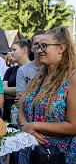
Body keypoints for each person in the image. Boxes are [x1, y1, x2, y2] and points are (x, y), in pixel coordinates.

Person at [18, 27, 76, 164]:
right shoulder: (38, 77)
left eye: (44, 46)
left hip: (56, 156)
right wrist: (26, 126)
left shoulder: (72, 79)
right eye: (38, 46)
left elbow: (73, 126)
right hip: (29, 152)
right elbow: (22, 105)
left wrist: (34, 126)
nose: (39, 50)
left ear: (61, 48)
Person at [3, 40, 30, 122]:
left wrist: (10, 92)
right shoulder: (10, 71)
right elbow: (2, 90)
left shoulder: (35, 69)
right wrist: (24, 91)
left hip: (27, 115)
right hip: (9, 113)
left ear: (25, 50)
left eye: (14, 50)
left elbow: (32, 91)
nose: (11, 53)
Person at [16, 30, 46, 95]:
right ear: (31, 48)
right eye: (36, 43)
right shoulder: (23, 70)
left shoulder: (54, 69)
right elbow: (19, 97)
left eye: (43, 43)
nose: (39, 46)